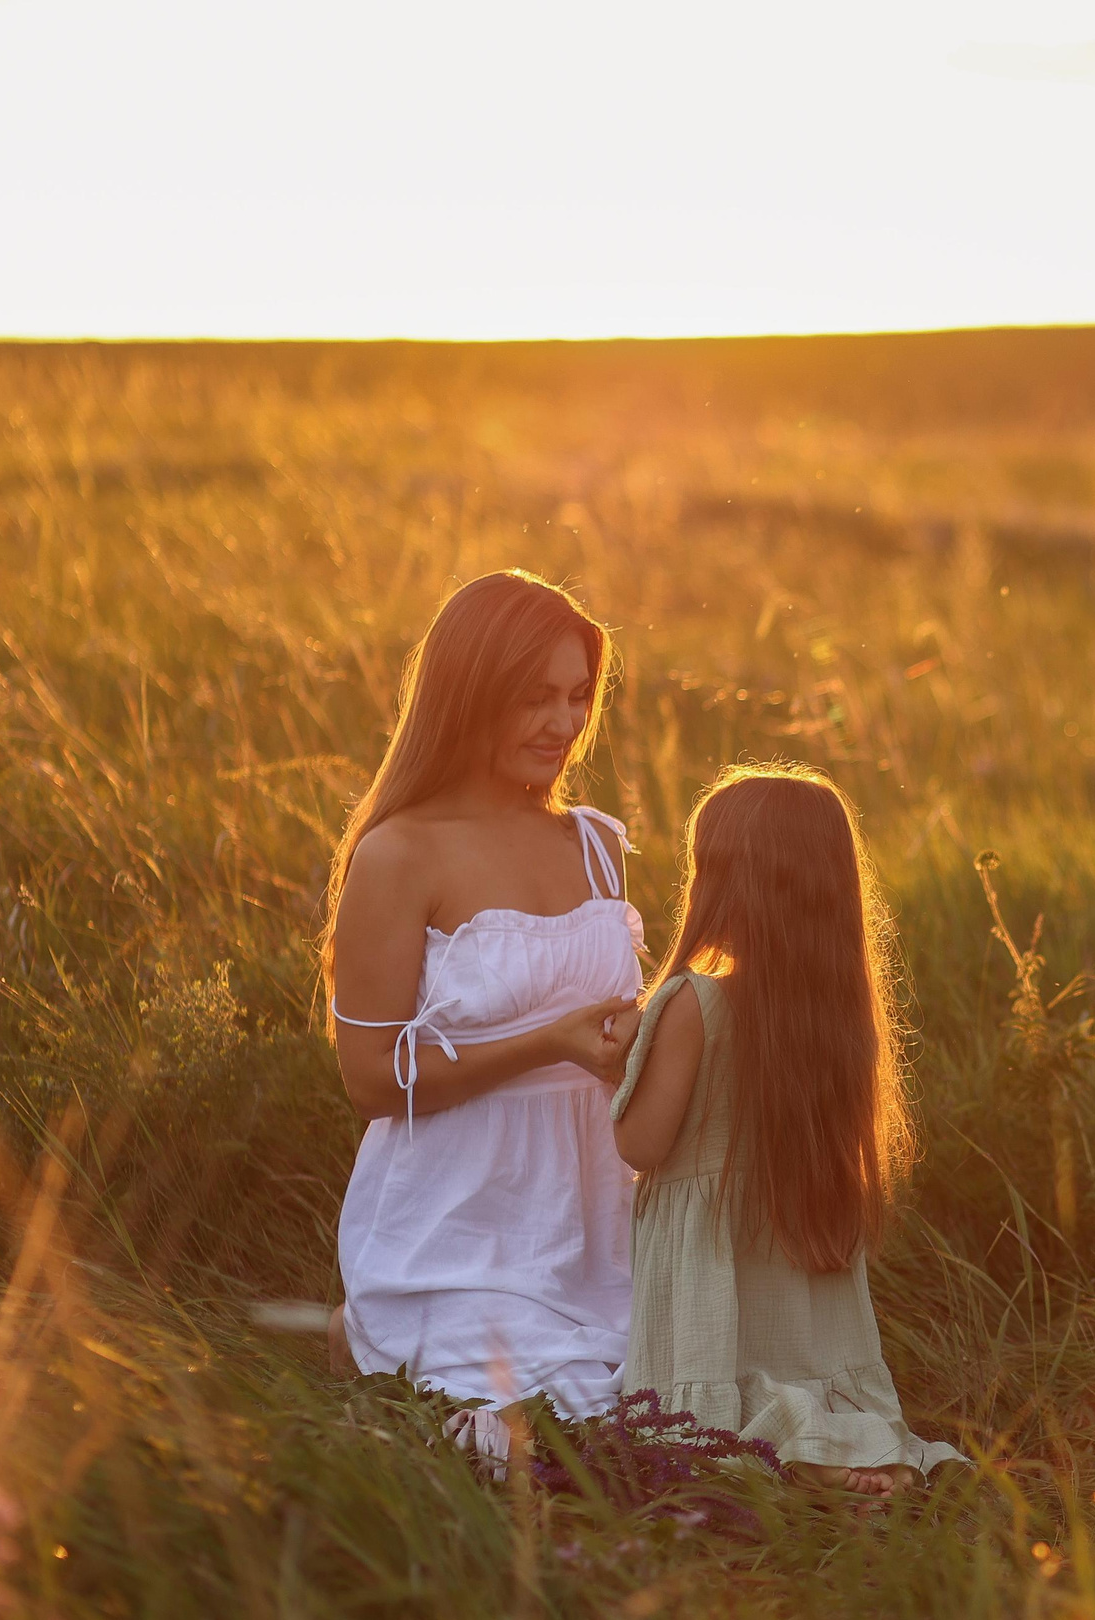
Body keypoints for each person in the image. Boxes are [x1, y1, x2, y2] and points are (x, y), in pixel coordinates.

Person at [324, 570, 644, 1428]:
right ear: (469, 694)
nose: (565, 723)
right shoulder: (399, 855)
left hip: (603, 1225)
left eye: (578, 696)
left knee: (681, 1412)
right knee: (541, 1433)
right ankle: (378, 1324)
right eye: (535, 697)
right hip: (459, 1227)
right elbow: (369, 1078)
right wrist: (551, 1041)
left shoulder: (599, 844)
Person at [611, 763, 962, 1495]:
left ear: (723, 881)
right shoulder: (836, 1020)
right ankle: (855, 1449)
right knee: (796, 1374)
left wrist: (617, 1060)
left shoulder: (691, 1003)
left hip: (712, 1265)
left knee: (715, 1412)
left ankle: (816, 1465)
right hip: (796, 1255)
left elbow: (640, 1145)